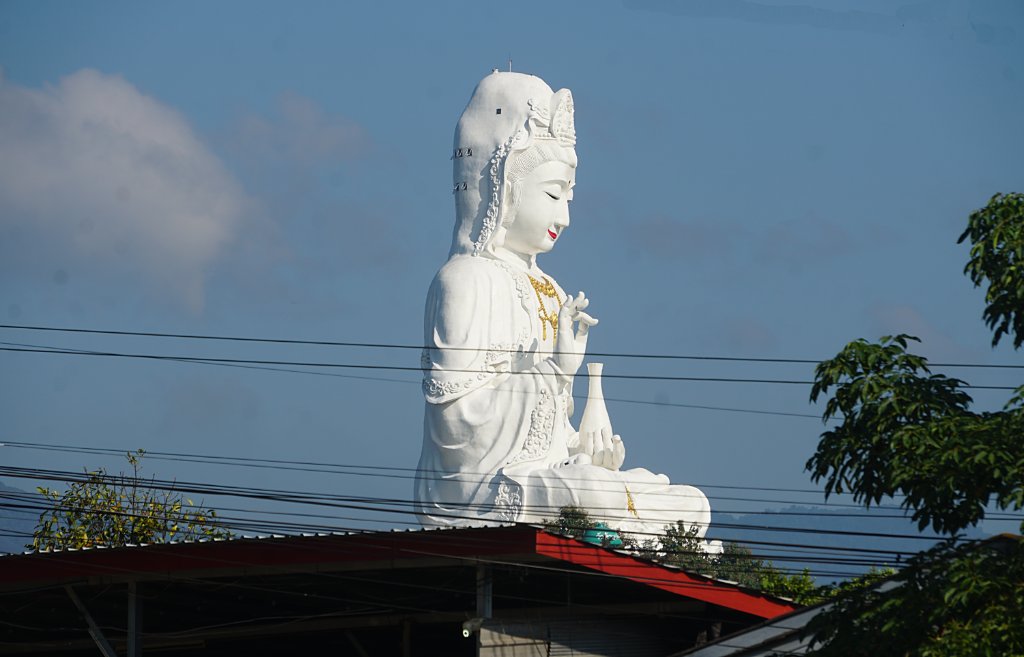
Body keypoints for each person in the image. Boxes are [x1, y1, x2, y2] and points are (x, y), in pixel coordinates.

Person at [415, 71, 716, 547]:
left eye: (569, 196)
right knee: (597, 494)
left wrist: (585, 446)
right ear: (502, 185)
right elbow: (455, 430)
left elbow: (553, 431)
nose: (565, 216)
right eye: (553, 194)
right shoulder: (465, 280)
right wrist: (552, 371)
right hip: (478, 490)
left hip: (549, 474)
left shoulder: (552, 291)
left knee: (690, 503)